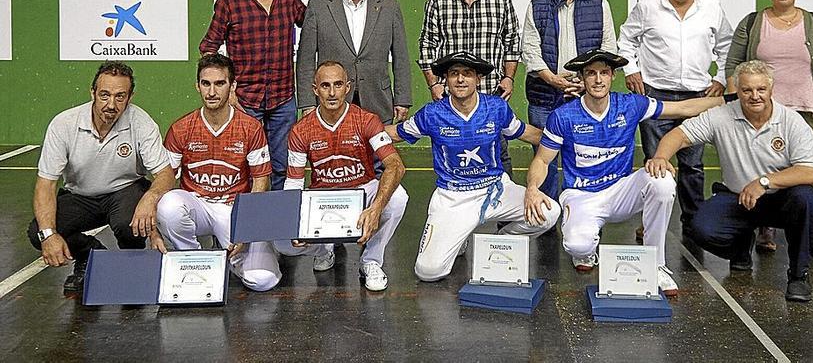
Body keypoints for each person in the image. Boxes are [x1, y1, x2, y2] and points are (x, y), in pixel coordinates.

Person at [526, 49, 725, 297]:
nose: (598, 79)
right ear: (582, 78)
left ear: (613, 76)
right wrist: (533, 189)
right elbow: (543, 160)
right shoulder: (563, 116)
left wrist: (729, 100)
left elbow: (682, 108)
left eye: (604, 73)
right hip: (581, 195)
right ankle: (586, 251)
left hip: (621, 191)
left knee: (662, 180)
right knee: (577, 245)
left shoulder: (630, 105)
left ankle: (656, 264)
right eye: (591, 73)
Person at [647, 60, 813, 302]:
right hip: (737, 198)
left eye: (761, 89)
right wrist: (660, 157)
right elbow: (678, 135)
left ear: (771, 90)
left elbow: (812, 172)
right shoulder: (721, 116)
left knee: (807, 199)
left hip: (782, 199)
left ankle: (798, 276)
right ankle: (740, 248)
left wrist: (764, 182)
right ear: (737, 91)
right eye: (747, 90)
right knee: (698, 228)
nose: (754, 96)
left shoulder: (792, 121)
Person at [386, 51, 560, 282]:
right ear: (445, 79)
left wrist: (565, 138)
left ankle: (500, 241)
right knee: (428, 272)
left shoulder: (496, 108)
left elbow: (527, 133)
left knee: (549, 213)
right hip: (453, 197)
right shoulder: (432, 114)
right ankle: (460, 235)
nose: (460, 79)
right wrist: (359, 130)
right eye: (454, 74)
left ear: (477, 79)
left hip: (496, 190)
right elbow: (394, 134)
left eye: (467, 74)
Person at [725, 0, 813, 259]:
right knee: (762, 167)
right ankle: (765, 227)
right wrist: (731, 99)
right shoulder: (753, 23)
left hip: (805, 108)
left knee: (808, 171)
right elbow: (733, 64)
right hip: (761, 109)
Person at [27, 62, 174, 292]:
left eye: (120, 96)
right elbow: (46, 184)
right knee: (39, 231)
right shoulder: (64, 124)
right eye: (104, 95)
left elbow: (165, 173)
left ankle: (132, 263)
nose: (111, 104)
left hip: (125, 191)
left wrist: (150, 197)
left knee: (129, 223)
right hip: (80, 196)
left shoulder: (141, 122)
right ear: (92, 92)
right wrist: (49, 235)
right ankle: (89, 254)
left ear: (130, 97)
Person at [618, 0, 733, 234]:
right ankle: (650, 222)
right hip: (656, 95)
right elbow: (626, 40)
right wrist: (631, 70)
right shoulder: (647, 6)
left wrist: (720, 77)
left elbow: (728, 46)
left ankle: (693, 221)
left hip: (698, 96)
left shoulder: (711, 6)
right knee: (655, 161)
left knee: (692, 165)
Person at [155, 54, 281, 292]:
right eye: (206, 83)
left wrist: (247, 229)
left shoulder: (251, 128)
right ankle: (193, 260)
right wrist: (153, 228)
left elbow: (260, 182)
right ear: (197, 86)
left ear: (232, 86)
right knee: (168, 204)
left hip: (233, 210)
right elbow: (163, 180)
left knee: (263, 280)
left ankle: (234, 258)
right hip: (197, 206)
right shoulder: (180, 129)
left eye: (219, 84)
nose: (211, 92)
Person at [279, 61, 408, 291]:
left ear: (348, 87)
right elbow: (294, 181)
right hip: (323, 198)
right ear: (314, 89)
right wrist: (295, 224)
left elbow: (395, 166)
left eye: (338, 85)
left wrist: (376, 208)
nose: (331, 92)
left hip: (363, 190)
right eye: (325, 85)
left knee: (398, 197)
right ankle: (323, 249)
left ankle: (370, 261)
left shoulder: (367, 120)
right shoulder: (300, 130)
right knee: (282, 244)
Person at [200, 0, 306, 191]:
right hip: (245, 100)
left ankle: (280, 225)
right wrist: (229, 91)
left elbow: (313, 26)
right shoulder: (230, 1)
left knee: (283, 166)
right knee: (243, 167)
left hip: (283, 98)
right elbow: (208, 47)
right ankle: (242, 225)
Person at [521, 0, 618, 200]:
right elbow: (530, 50)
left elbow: (608, 47)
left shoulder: (599, 3)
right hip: (544, 96)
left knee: (584, 156)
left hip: (585, 97)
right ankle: (547, 212)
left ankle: (583, 209)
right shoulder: (537, 4)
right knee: (545, 160)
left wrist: (586, 84)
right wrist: (552, 79)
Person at [418, 0, 520, 174]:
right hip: (451, 98)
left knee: (499, 155)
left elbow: (512, 41)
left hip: (491, 95)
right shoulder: (438, 2)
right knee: (450, 157)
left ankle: (504, 204)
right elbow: (426, 45)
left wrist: (509, 78)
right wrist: (434, 83)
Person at [296, 0, 412, 125]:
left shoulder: (390, 7)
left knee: (378, 152)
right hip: (331, 103)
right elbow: (305, 60)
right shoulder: (317, 7)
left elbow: (401, 58)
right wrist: (307, 103)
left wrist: (403, 99)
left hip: (377, 100)